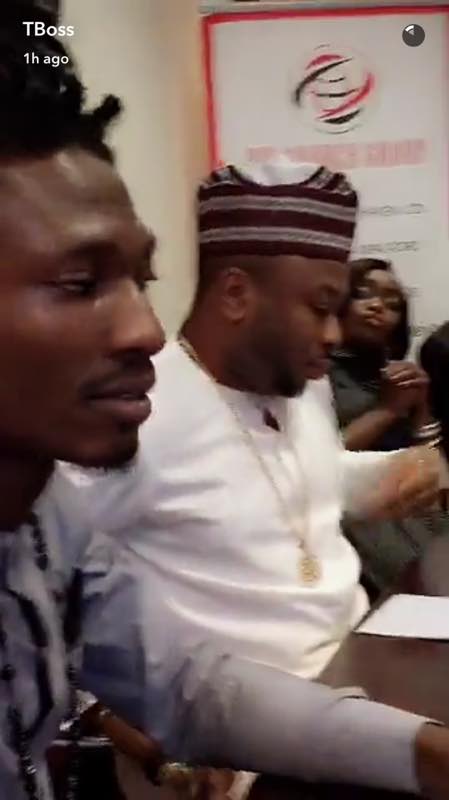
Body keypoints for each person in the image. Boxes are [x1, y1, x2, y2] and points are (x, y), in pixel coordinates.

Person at [4, 9, 449, 800]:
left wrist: (423, 752)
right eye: (79, 283)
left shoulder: (45, 525)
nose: (145, 329)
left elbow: (189, 683)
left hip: (337, 687)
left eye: (140, 280)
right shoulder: (129, 428)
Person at [329, 259, 447, 596]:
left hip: (415, 508)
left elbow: (428, 459)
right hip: (358, 518)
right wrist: (387, 410)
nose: (378, 306)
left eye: (393, 304)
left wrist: (421, 407)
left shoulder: (395, 374)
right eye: (363, 294)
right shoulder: (314, 375)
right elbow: (314, 462)